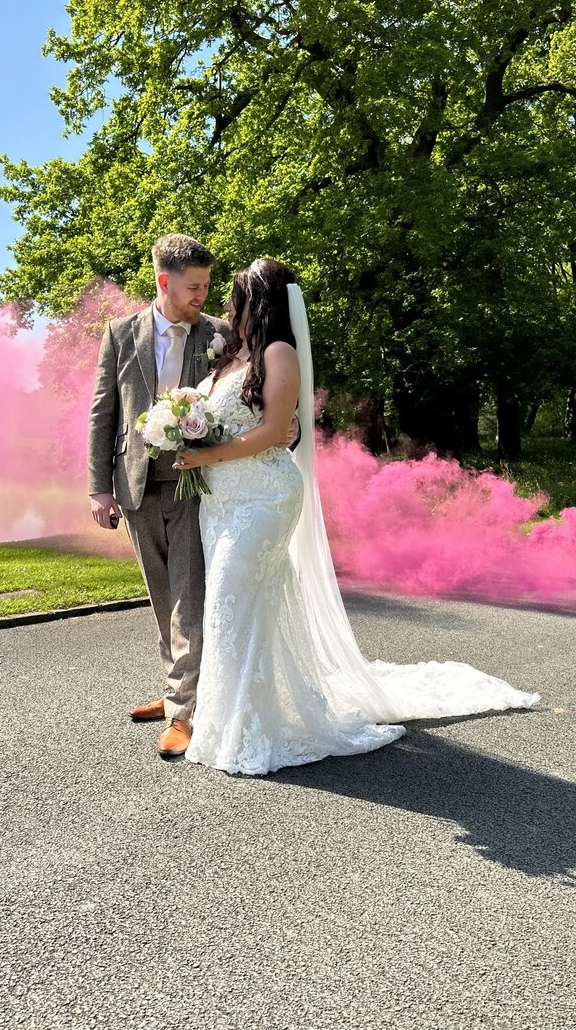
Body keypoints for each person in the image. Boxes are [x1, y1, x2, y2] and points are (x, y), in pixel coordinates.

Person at [175, 259, 540, 775]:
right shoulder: (231, 359)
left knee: (231, 604)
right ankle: (236, 719)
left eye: (235, 297)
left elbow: (273, 429)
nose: (227, 308)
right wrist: (187, 432)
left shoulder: (279, 353)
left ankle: (245, 728)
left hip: (263, 500)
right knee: (234, 609)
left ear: (257, 303)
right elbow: (229, 423)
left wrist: (205, 456)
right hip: (220, 504)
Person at [87, 233, 229, 759]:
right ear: (164, 283)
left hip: (197, 482)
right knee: (162, 594)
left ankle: (182, 712)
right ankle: (178, 690)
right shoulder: (121, 333)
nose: (203, 296)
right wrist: (99, 487)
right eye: (194, 287)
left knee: (189, 595)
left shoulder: (220, 334)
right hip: (135, 483)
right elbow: (103, 413)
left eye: (208, 285)